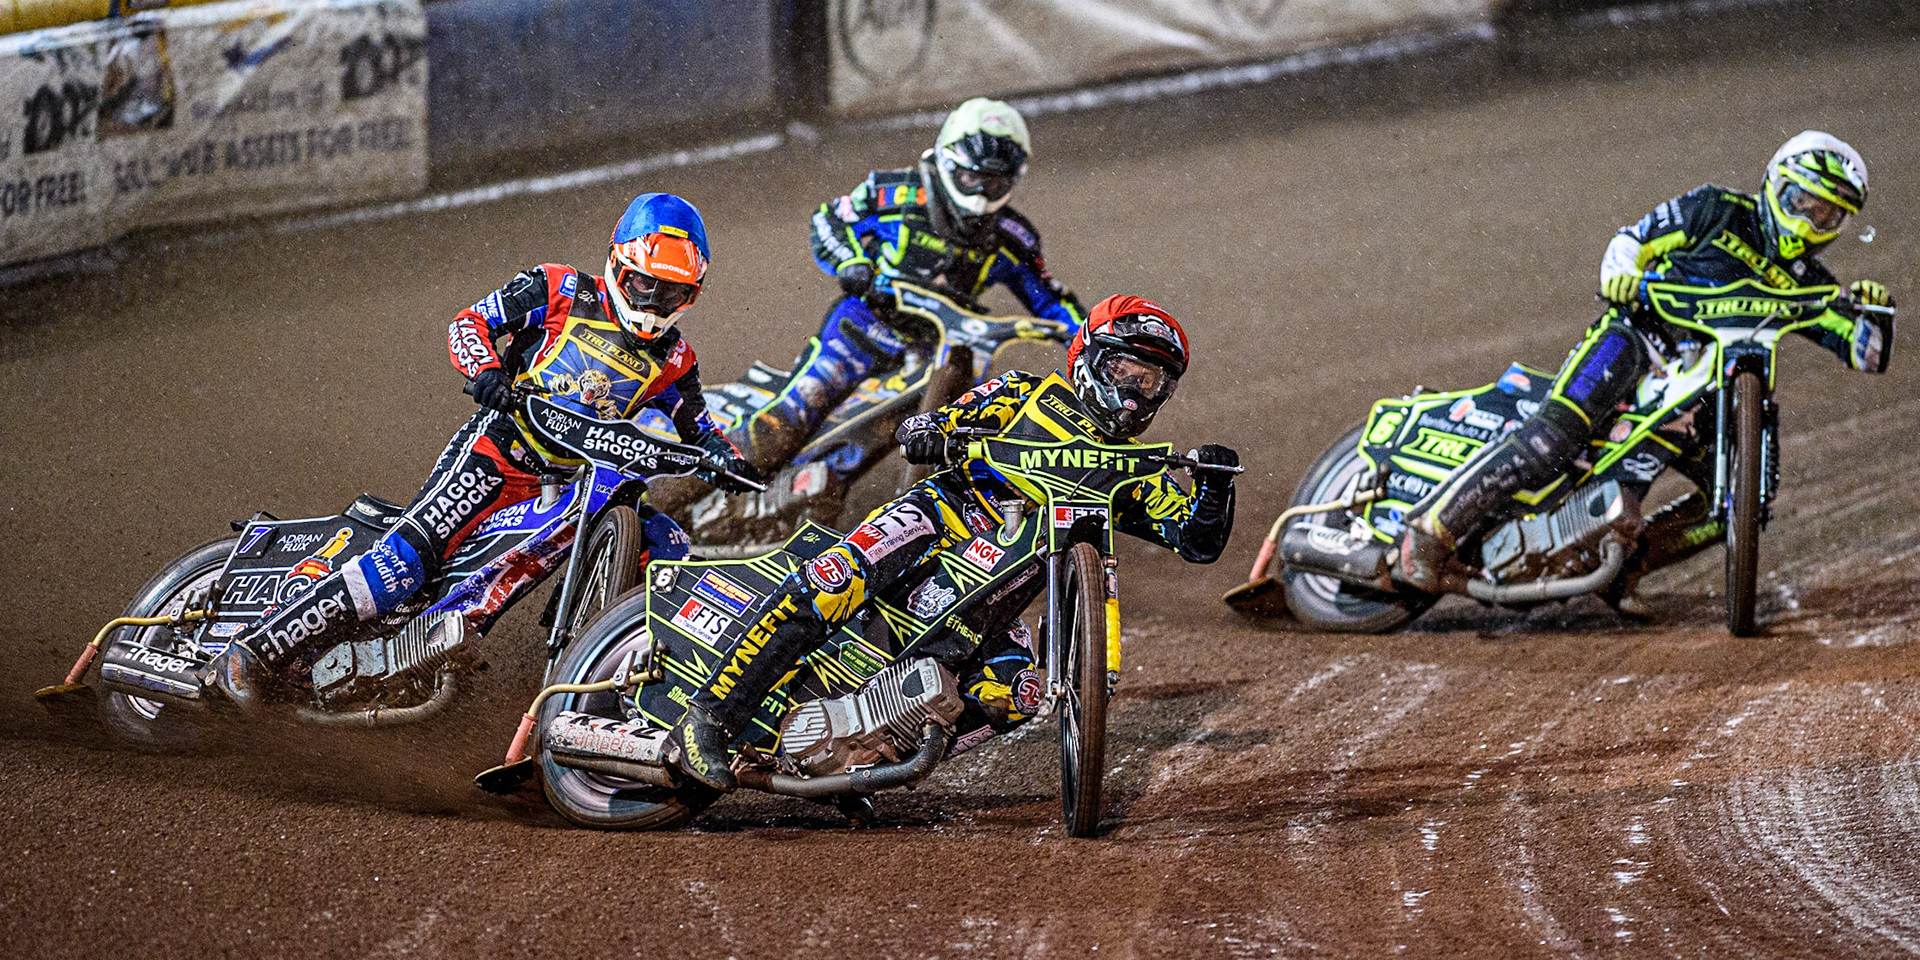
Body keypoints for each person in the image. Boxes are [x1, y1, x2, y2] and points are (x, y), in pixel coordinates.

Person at [203, 193, 762, 707]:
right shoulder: (559, 286)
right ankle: (254, 651)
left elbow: (700, 426)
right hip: (496, 452)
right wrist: (487, 372)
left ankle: (622, 699)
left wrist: (729, 461)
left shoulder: (676, 360)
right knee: (408, 561)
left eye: (674, 292)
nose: (658, 301)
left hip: (573, 482)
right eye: (648, 285)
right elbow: (468, 323)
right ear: (619, 265)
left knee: (668, 546)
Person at [664, 294, 1239, 791]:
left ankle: (870, 756)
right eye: (1126, 372)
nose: (1137, 392)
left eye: (1152, 381)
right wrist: (928, 429)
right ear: (1089, 360)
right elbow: (944, 420)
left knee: (1021, 694)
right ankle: (708, 719)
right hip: (940, 518)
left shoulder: (1134, 469)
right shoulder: (1025, 393)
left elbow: (1196, 541)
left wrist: (1214, 487)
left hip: (996, 599)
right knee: (833, 580)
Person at [1393, 131, 1897, 603]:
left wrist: (1875, 314)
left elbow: (1867, 353)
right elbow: (1633, 239)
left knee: (1745, 497)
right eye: (1800, 203)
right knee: (1552, 439)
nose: (1809, 222)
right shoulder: (1715, 208)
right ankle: (1427, 535)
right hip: (1638, 339)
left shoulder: (1811, 283)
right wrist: (1622, 274)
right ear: (1773, 185)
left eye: (1827, 216)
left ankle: (1625, 568)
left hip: (1703, 391)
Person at [737, 96, 1088, 464]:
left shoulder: (1014, 237)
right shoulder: (894, 193)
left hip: (936, 350)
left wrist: (1087, 343)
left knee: (920, 433)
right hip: (866, 323)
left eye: (995, 184)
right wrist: (851, 263)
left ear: (1014, 179)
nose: (981, 195)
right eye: (971, 178)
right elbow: (831, 220)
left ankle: (836, 487)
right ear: (948, 161)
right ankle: (719, 467)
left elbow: (1049, 300)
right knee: (791, 417)